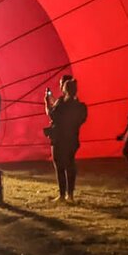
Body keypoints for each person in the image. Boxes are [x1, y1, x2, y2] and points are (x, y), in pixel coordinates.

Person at [44, 75, 86, 203]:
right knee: (70, 165)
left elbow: (52, 115)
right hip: (73, 139)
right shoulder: (79, 105)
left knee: (59, 166)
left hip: (59, 139)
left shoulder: (61, 103)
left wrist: (47, 102)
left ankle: (62, 195)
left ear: (64, 88)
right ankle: (70, 195)